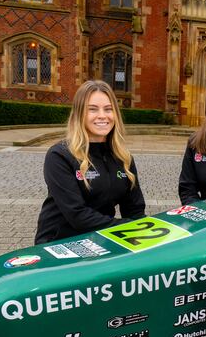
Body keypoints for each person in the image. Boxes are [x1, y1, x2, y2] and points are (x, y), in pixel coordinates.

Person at [35, 80, 145, 244]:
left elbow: (134, 210)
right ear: (79, 114)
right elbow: (77, 215)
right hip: (59, 243)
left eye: (108, 109)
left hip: (100, 239)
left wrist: (145, 231)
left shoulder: (123, 157)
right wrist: (126, 226)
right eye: (92, 109)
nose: (102, 115)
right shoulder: (59, 155)